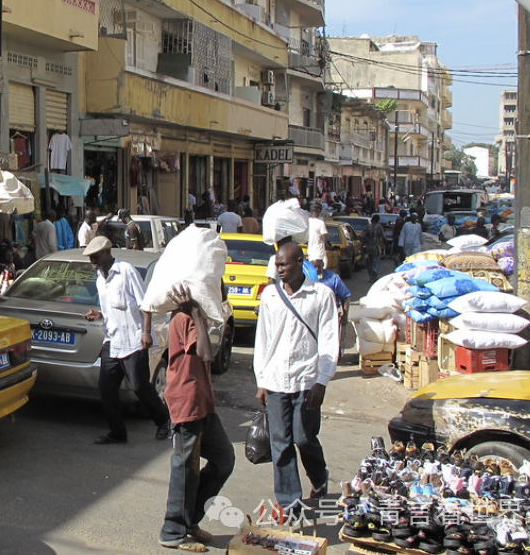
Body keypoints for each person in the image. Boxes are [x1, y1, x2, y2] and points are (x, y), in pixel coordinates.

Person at [254, 242, 339, 518]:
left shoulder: (321, 295)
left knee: (304, 438)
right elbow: (263, 340)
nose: (279, 269)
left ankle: (319, 476)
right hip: (277, 379)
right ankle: (290, 503)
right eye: (277, 265)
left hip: (307, 379)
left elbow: (329, 340)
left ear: (300, 263)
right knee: (281, 442)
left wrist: (322, 380)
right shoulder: (270, 296)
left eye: (284, 265)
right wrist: (261, 379)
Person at [156, 285, 235, 553]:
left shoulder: (191, 316)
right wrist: (196, 314)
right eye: (217, 285)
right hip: (187, 401)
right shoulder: (185, 318)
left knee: (224, 459)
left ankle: (189, 521)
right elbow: (205, 353)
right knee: (184, 469)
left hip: (202, 402)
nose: (222, 289)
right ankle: (172, 530)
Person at [82, 236, 170, 444]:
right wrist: (99, 315)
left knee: (140, 387)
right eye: (90, 257)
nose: (93, 261)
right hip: (112, 341)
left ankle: (163, 420)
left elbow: (144, 304)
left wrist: (146, 333)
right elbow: (112, 309)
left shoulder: (126, 271)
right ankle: (117, 432)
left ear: (106, 253)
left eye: (95, 256)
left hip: (133, 339)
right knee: (106, 388)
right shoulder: (100, 279)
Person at [306, 203, 329, 273]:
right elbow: (325, 239)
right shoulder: (320, 223)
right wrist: (326, 249)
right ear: (318, 211)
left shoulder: (307, 222)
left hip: (310, 253)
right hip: (319, 253)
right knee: (320, 274)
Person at [363, 215, 385, 282]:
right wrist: (385, 244)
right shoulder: (379, 227)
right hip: (376, 247)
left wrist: (363, 246)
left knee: (369, 262)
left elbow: (363, 236)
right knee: (376, 261)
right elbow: (383, 237)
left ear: (372, 219)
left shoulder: (367, 227)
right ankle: (375, 273)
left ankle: (371, 277)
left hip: (368, 247)